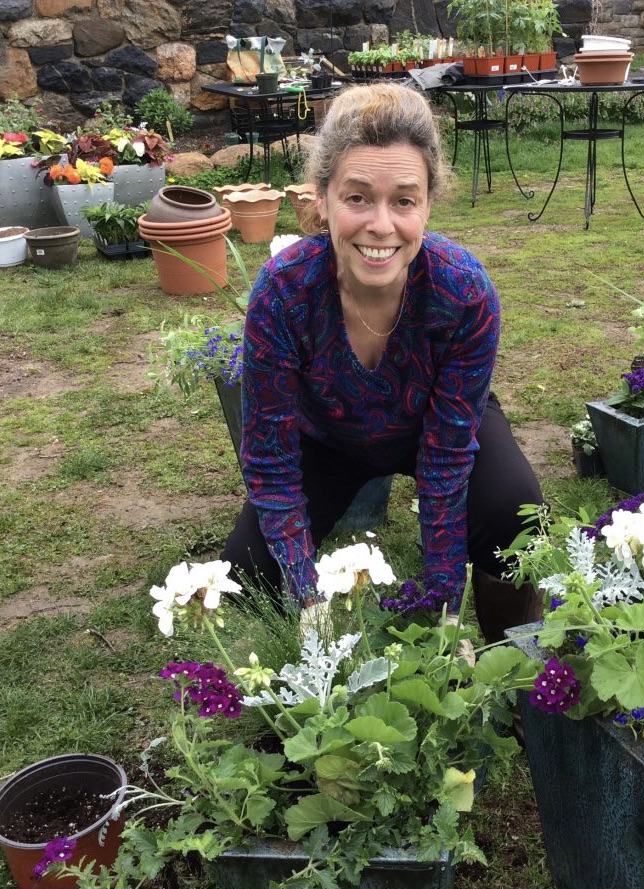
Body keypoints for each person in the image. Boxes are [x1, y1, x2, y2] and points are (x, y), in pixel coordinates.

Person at [221, 81, 543, 641]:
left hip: (437, 425)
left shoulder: (462, 291)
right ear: (321, 200)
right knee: (251, 567)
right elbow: (271, 462)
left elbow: (445, 462)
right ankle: (298, 690)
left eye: (403, 200)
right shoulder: (283, 293)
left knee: (512, 510)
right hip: (328, 437)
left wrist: (441, 596)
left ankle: (514, 669)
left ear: (426, 205)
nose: (381, 225)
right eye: (357, 197)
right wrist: (306, 594)